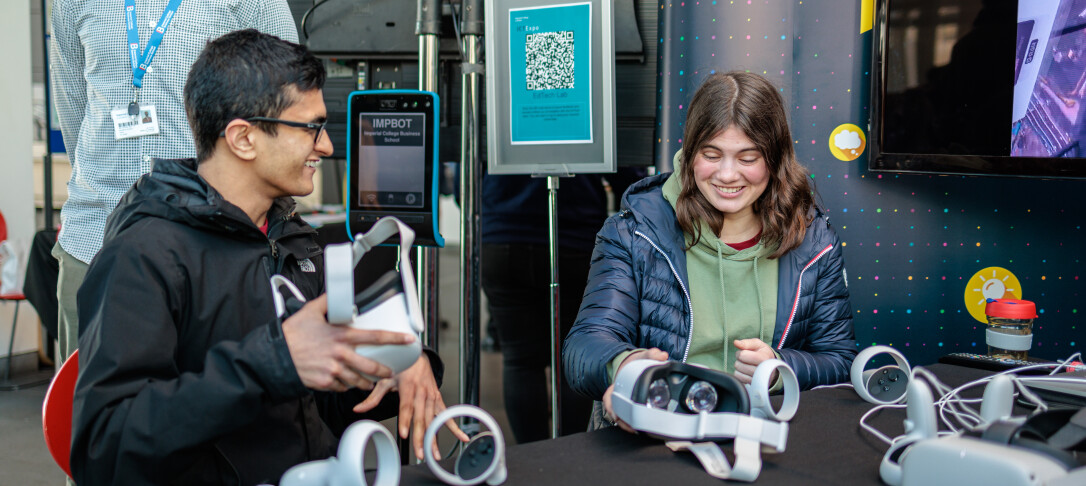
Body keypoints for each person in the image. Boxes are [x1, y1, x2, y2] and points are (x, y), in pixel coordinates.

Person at [71, 30, 465, 485]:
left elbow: (315, 408)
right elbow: (105, 448)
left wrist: (393, 363)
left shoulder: (294, 241)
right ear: (243, 138)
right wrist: (274, 362)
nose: (327, 147)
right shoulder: (144, 258)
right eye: (311, 128)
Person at [562, 72, 857, 429]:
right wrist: (626, 366)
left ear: (776, 158)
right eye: (711, 154)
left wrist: (779, 368)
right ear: (689, 152)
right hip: (656, 432)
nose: (728, 174)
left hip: (763, 431)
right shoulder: (635, 231)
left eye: (748, 158)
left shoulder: (812, 239)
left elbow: (839, 360)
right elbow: (584, 347)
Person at [50, 0, 299, 367]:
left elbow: (289, 101)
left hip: (210, 245)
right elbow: (72, 106)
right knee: (85, 411)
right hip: (93, 238)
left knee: (209, 404)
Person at [481, 170, 642, 442]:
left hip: (503, 235)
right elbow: (627, 177)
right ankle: (569, 456)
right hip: (575, 237)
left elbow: (467, 177)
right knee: (572, 358)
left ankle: (532, 460)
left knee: (520, 360)